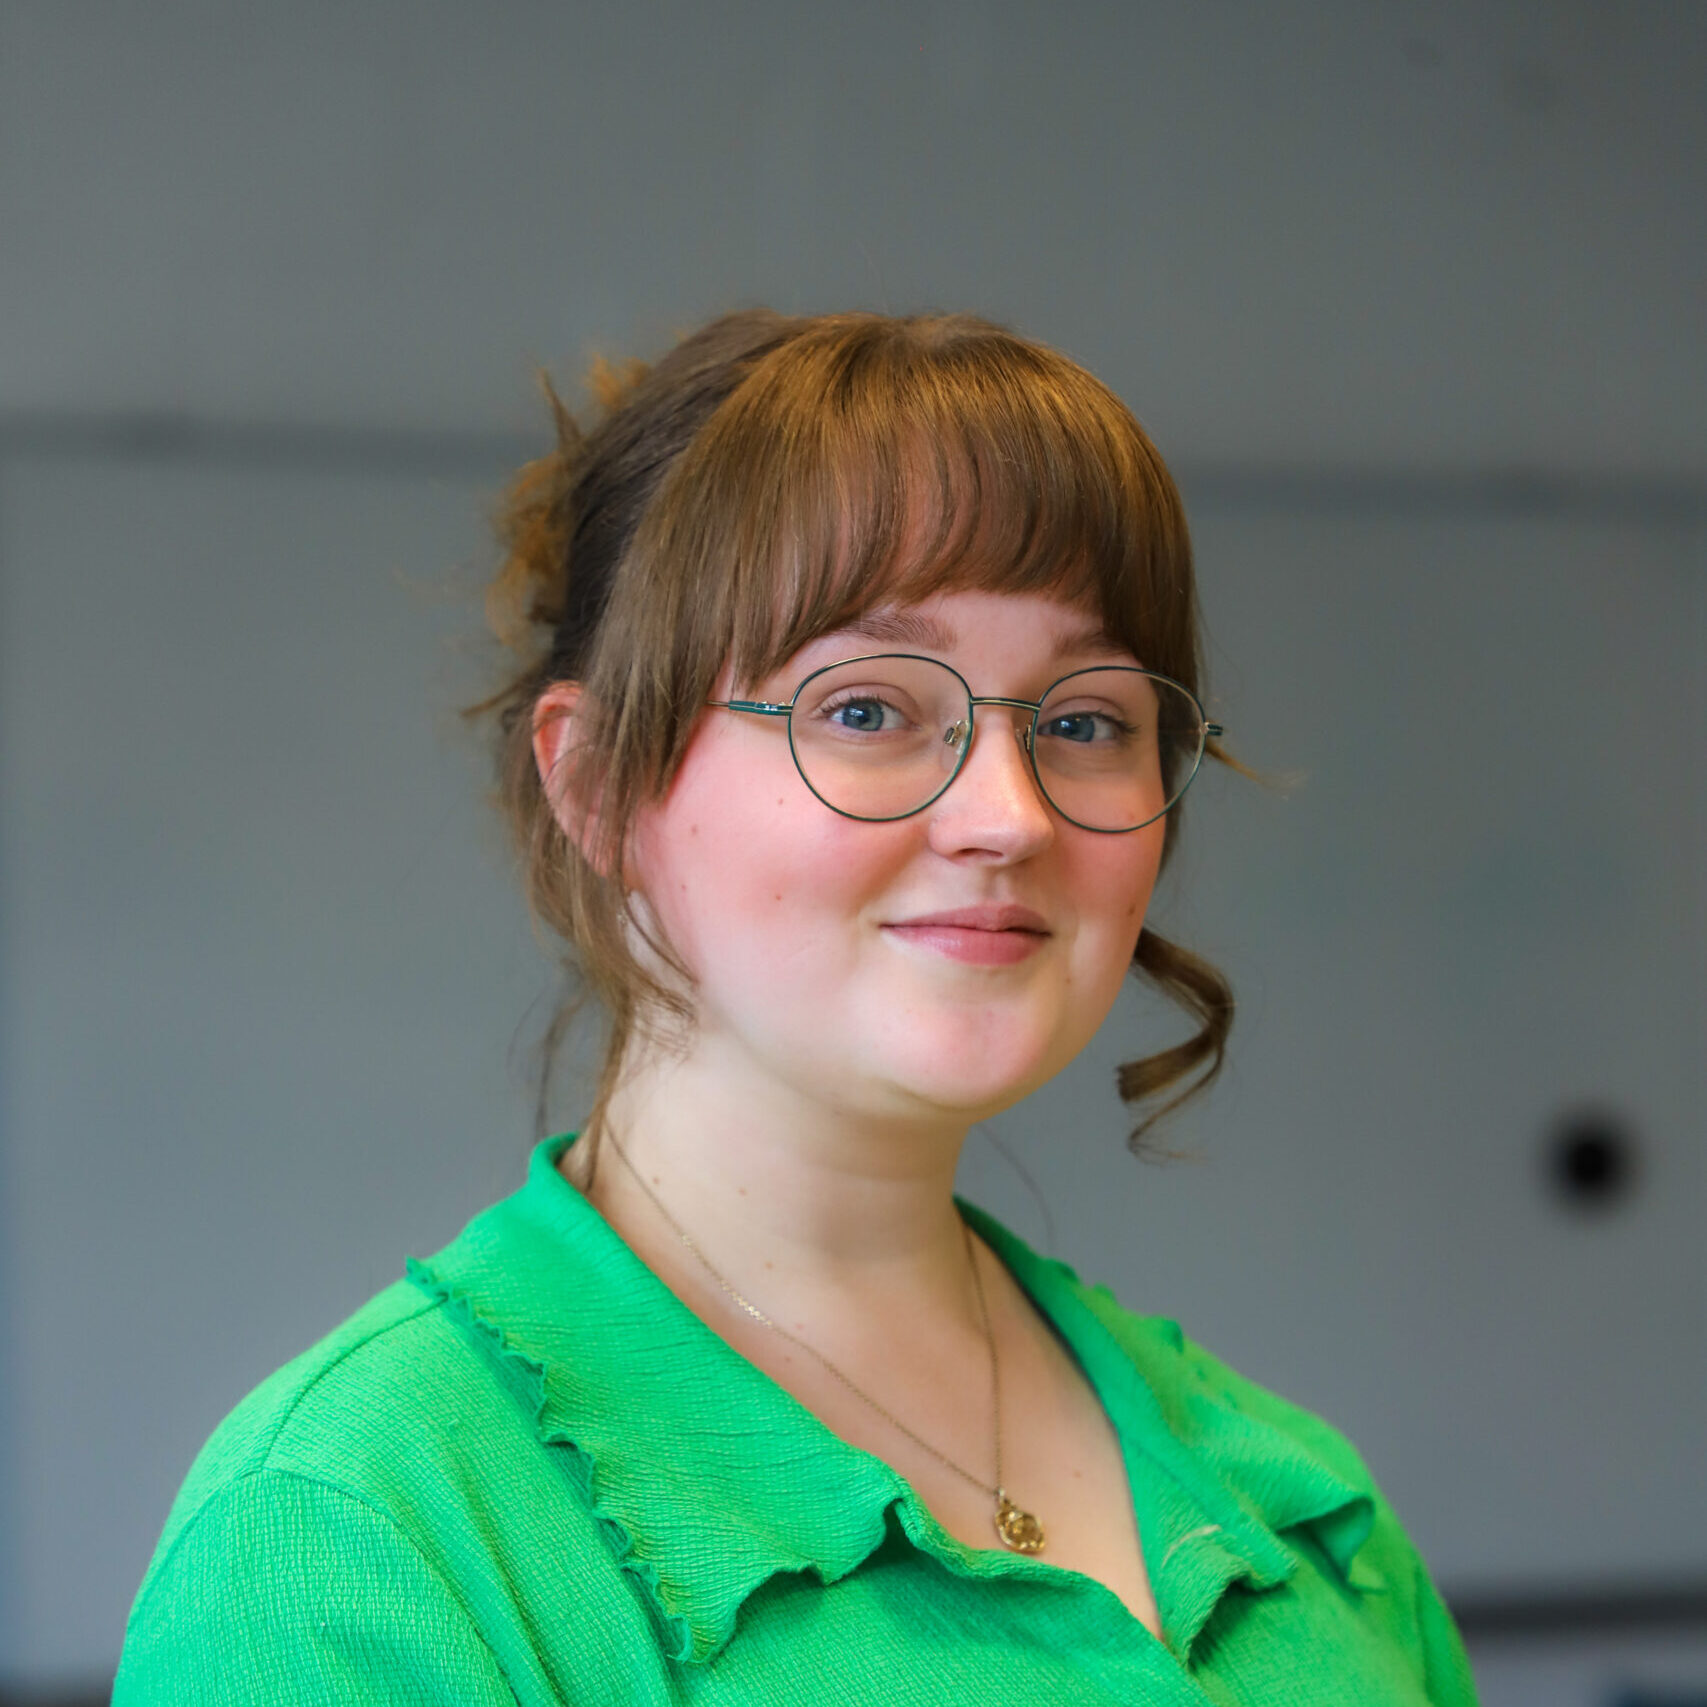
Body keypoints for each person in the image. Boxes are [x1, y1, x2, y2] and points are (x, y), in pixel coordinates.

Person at [114, 310, 1478, 1705]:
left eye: (1083, 720)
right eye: (869, 709)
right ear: (597, 784)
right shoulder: (358, 1541)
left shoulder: (1302, 1509)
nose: (1006, 817)